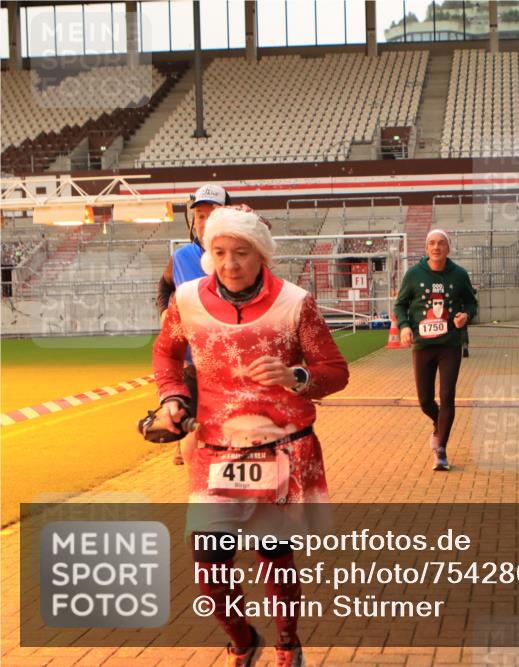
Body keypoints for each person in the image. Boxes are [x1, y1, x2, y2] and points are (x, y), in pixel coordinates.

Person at [152, 207, 349, 666]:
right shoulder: (186, 300)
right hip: (216, 452)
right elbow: (165, 355)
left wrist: (295, 374)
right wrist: (173, 399)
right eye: (219, 252)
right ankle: (242, 639)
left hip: (278, 448)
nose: (229, 263)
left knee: (274, 559)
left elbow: (335, 372)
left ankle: (287, 643)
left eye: (241, 253)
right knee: (209, 572)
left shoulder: (295, 302)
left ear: (261, 255)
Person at [156, 184, 230, 467]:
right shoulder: (180, 258)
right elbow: (164, 285)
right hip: (191, 360)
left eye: (212, 214)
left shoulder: (242, 255)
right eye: (200, 215)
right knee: (192, 434)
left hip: (233, 363)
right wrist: (164, 310)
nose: (205, 221)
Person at [394, 229, 478, 471]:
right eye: (431, 243)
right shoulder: (413, 274)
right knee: (425, 401)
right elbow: (400, 304)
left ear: (448, 248)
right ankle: (438, 424)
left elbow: (471, 302)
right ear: (426, 248)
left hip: (450, 343)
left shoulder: (459, 274)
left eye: (441, 243)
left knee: (447, 395)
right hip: (422, 345)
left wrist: (466, 315)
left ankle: (441, 450)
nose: (436, 247)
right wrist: (404, 327)